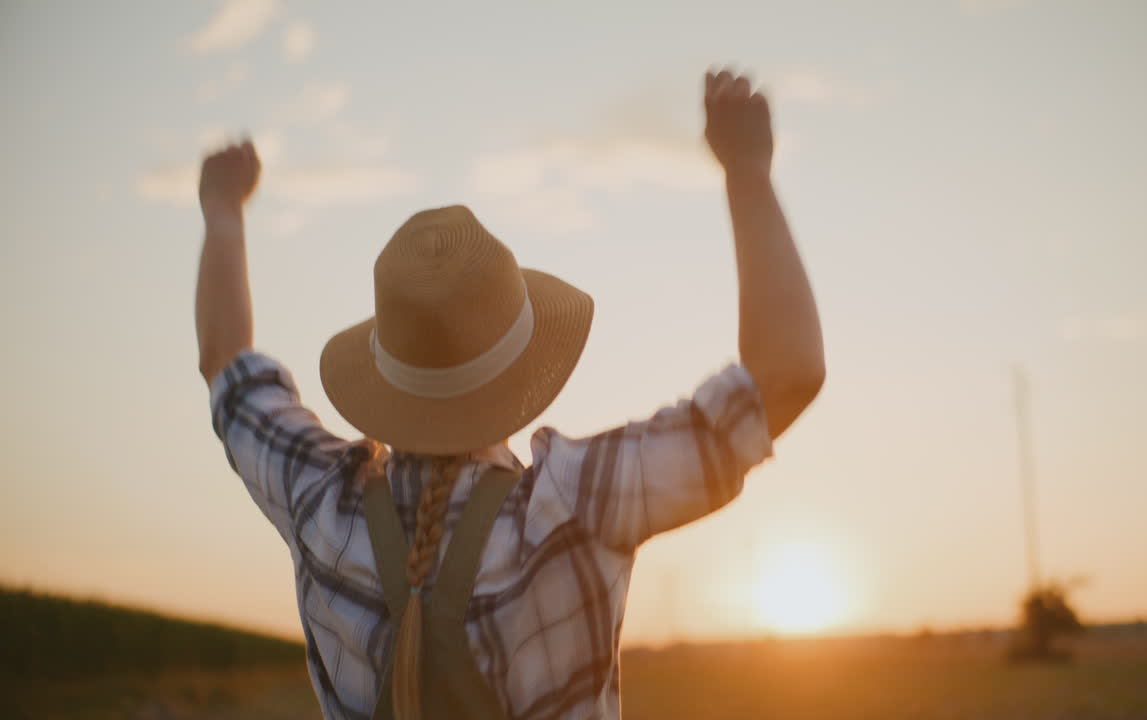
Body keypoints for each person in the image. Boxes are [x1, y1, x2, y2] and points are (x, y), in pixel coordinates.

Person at [196, 69, 825, 720]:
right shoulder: (573, 505)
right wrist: (747, 165)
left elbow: (225, 366)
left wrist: (221, 207)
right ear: (519, 368)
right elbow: (787, 373)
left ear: (386, 371)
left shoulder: (317, 497)